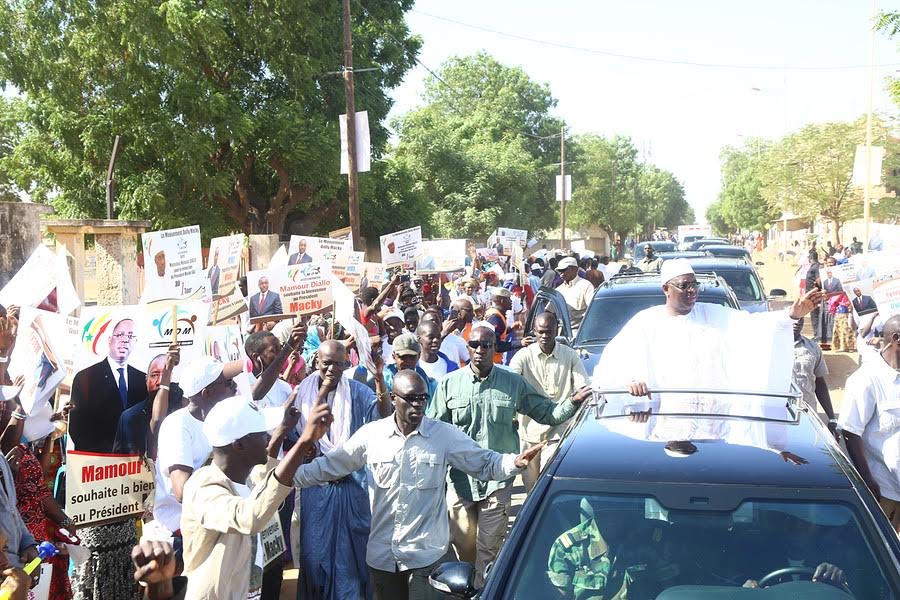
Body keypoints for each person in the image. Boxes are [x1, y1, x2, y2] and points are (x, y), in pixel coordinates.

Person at [295, 370, 544, 600]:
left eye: (423, 398)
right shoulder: (371, 435)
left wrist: (514, 462)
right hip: (383, 559)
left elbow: (484, 462)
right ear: (393, 398)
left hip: (427, 558)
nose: (418, 405)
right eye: (411, 398)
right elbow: (330, 466)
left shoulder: (443, 435)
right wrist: (286, 478)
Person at [427, 324, 592, 586]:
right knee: (463, 548)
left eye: (487, 345)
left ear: (495, 348)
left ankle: (484, 591)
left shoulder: (512, 383)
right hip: (459, 482)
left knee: (489, 552)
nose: (480, 350)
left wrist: (573, 402)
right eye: (474, 345)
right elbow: (432, 433)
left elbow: (546, 413)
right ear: (467, 347)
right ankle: (467, 587)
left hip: (498, 481)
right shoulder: (448, 384)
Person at [180, 393, 334, 599]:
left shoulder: (244, 478)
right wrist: (304, 442)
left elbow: (264, 476)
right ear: (239, 446)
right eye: (262, 434)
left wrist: (282, 431)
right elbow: (249, 516)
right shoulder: (203, 488)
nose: (267, 438)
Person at [595, 259, 823, 396]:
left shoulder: (713, 315)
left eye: (695, 285)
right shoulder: (645, 323)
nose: (692, 290)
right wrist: (631, 382)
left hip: (711, 420)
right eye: (685, 286)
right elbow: (612, 366)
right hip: (662, 417)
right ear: (666, 289)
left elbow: (754, 326)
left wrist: (792, 314)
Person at [291, 340, 391, 599]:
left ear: (347, 364)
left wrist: (379, 378)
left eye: (338, 363)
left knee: (353, 553)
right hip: (316, 488)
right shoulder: (302, 392)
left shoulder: (358, 391)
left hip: (352, 486)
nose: (332, 368)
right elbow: (291, 433)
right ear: (316, 362)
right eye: (327, 363)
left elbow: (384, 416)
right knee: (315, 553)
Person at [152, 357, 239, 543]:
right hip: (183, 537)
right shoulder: (178, 425)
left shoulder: (220, 422)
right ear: (206, 393)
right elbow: (182, 490)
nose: (235, 387)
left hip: (214, 528)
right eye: (227, 383)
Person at [510, 312, 590, 492]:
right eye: (540, 332)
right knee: (531, 489)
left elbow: (582, 386)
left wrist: (578, 398)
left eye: (548, 332)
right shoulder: (523, 356)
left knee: (549, 484)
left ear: (556, 330)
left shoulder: (569, 355)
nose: (544, 336)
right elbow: (511, 382)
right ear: (535, 332)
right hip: (529, 432)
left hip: (559, 432)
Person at [839, 314, 900, 533]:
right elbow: (850, 431)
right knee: (883, 550)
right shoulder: (867, 379)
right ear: (896, 339)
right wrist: (866, 479)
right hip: (884, 490)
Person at [70, 318, 147, 453]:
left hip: (134, 464)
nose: (125, 340)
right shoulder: (85, 377)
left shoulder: (142, 379)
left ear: (135, 342)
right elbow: (77, 428)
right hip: (99, 464)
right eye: (120, 335)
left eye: (130, 336)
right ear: (109, 340)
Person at [113, 346, 182, 458]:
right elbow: (117, 462)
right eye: (154, 375)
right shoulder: (129, 418)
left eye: (164, 376)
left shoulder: (181, 410)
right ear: (146, 380)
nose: (159, 381)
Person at [791, 318, 837, 436]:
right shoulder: (770, 346)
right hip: (778, 416)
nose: (797, 323)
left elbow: (820, 383)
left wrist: (831, 418)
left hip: (807, 415)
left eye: (800, 319)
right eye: (793, 318)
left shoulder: (812, 348)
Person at [555, 257, 594, 335]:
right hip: (560, 333)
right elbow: (549, 311)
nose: (561, 274)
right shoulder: (559, 290)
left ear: (574, 269)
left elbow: (592, 310)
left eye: (563, 270)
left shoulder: (585, 286)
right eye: (559, 271)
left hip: (578, 332)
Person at [484, 288, 524, 364]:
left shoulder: (497, 315)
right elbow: (496, 345)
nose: (511, 302)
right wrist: (520, 343)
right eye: (509, 299)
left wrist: (510, 329)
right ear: (502, 301)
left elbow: (498, 332)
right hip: (491, 362)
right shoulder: (495, 318)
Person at [804, 251, 822, 341]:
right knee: (814, 314)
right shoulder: (814, 266)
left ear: (810, 258)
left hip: (814, 295)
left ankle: (817, 335)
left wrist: (815, 288)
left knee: (815, 315)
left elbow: (819, 279)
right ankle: (817, 334)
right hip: (811, 294)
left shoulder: (816, 267)